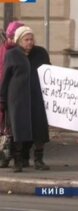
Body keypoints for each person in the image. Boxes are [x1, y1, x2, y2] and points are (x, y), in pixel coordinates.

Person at [0, 26, 50, 172]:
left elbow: (50, 73)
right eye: (26, 40)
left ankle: (39, 160)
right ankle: (18, 161)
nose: (29, 42)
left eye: (31, 39)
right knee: (17, 129)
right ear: (18, 41)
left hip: (37, 98)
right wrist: (2, 99)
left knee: (39, 128)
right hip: (17, 99)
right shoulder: (12, 54)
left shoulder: (40, 53)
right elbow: (6, 77)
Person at [0, 21, 25, 168]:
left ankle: (11, 157)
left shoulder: (16, 51)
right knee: (7, 128)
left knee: (9, 128)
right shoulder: (10, 52)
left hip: (11, 95)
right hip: (6, 93)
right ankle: (7, 157)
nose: (10, 39)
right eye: (9, 37)